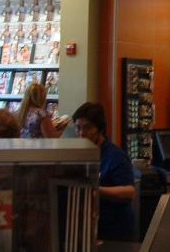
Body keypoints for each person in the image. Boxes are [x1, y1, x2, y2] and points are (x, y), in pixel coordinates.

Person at [72, 102, 135, 241]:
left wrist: (96, 190)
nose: (81, 133)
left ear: (100, 129)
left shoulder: (115, 155)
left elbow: (129, 192)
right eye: (78, 128)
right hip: (92, 228)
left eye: (87, 127)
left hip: (115, 230)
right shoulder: (80, 154)